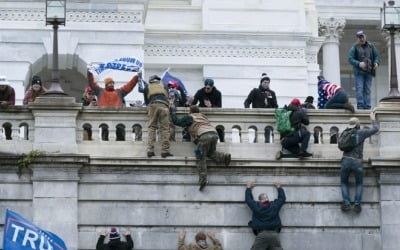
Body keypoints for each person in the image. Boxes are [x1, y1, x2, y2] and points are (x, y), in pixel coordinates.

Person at [170, 105, 231, 191]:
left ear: (190, 111)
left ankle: (203, 180)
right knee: (210, 152)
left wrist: (173, 112)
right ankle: (224, 157)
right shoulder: (203, 117)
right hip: (214, 135)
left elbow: (177, 122)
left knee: (200, 156)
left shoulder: (190, 117)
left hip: (204, 136)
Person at [340, 112, 379, 213]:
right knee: (359, 183)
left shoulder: (344, 133)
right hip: (357, 162)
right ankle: (357, 205)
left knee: (344, 182)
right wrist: (373, 119)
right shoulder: (361, 132)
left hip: (345, 160)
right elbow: (375, 129)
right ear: (358, 125)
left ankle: (346, 203)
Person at [245, 181, 286, 250]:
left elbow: (249, 200)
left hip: (262, 235)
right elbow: (282, 199)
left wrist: (248, 188)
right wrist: (279, 187)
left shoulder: (256, 207)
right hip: (274, 235)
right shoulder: (274, 206)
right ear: (268, 199)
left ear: (260, 201)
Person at [348, 30, 380, 110]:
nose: (361, 38)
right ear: (358, 38)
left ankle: (368, 107)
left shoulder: (371, 46)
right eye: (359, 37)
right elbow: (350, 59)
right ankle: (360, 106)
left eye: (362, 36)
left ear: (365, 36)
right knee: (359, 88)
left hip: (369, 71)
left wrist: (376, 63)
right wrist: (359, 63)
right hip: (359, 72)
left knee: (367, 89)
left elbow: (377, 56)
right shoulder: (354, 47)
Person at [143, 75, 173, 158]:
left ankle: (150, 150)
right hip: (164, 105)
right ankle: (165, 151)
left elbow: (146, 101)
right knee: (165, 129)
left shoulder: (147, 87)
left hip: (153, 105)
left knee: (152, 127)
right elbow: (167, 97)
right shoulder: (164, 85)